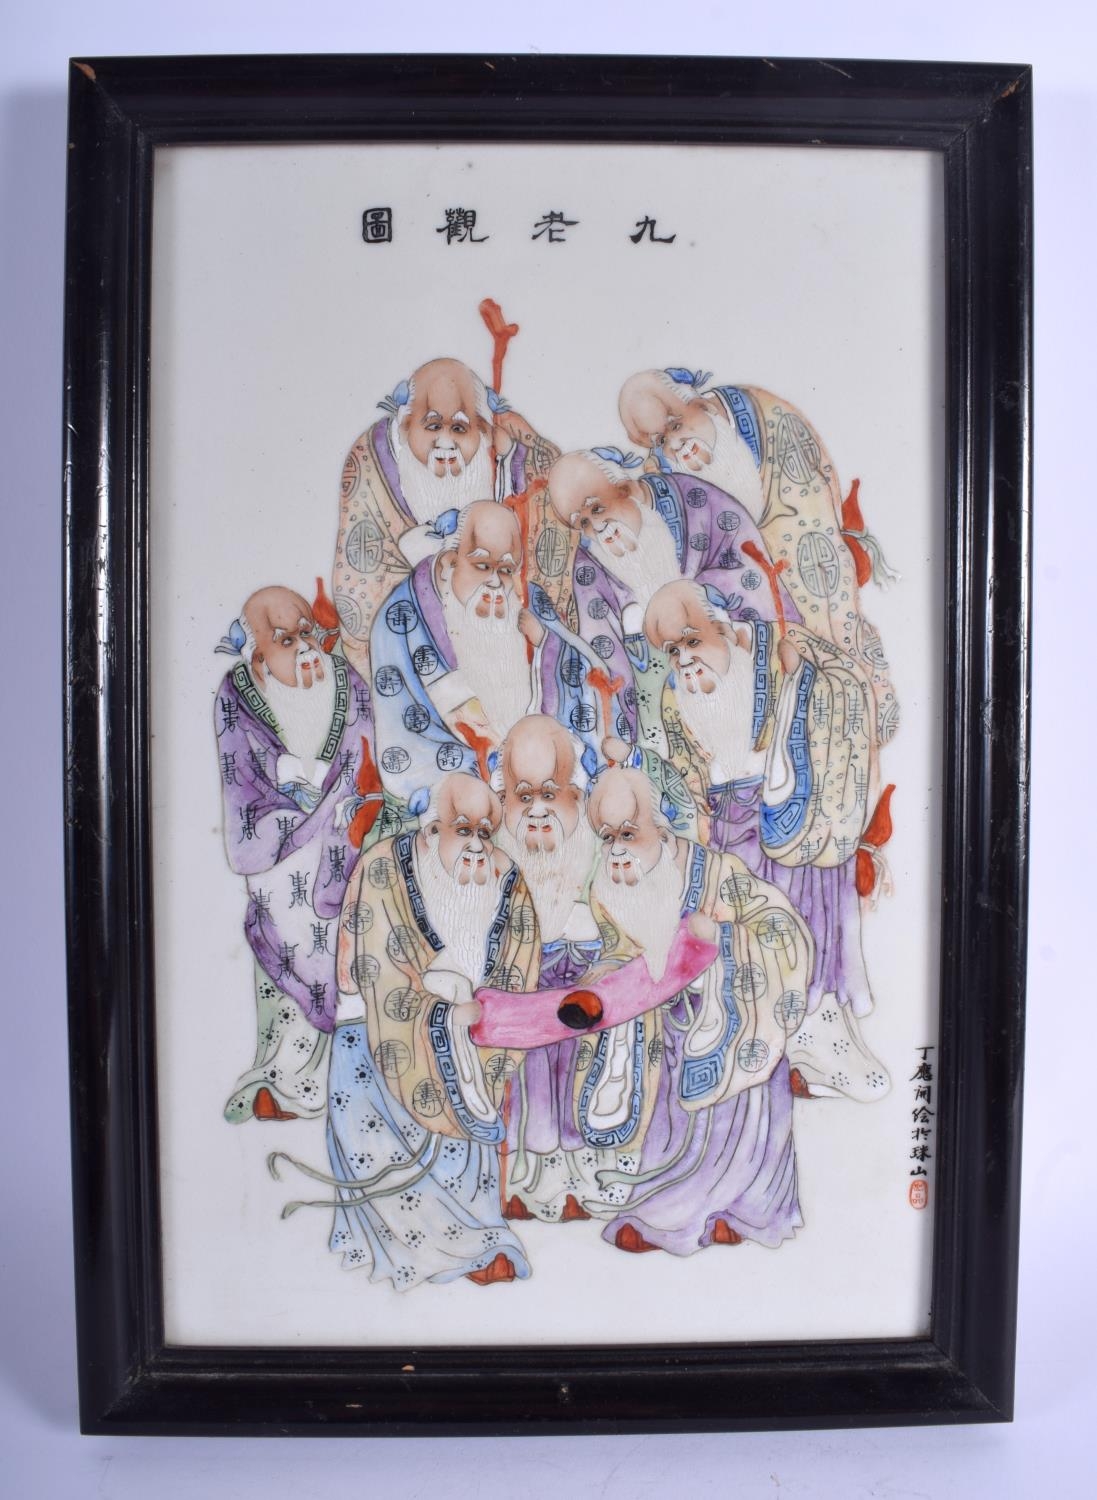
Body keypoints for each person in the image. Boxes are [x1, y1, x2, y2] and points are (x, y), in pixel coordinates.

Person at [640, 579, 891, 1102]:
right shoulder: (674, 695)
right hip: (731, 829)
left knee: (814, 916)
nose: (685, 660)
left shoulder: (777, 644)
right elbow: (685, 772)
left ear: (722, 626)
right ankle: (777, 1042)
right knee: (754, 938)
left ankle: (824, 1030)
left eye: (692, 640)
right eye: (672, 651)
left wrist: (803, 679)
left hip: (799, 815)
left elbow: (843, 691)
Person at [314, 772, 541, 1289]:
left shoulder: (506, 877)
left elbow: (521, 960)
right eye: (464, 830)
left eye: (485, 832)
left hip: (470, 1046)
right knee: (385, 1150)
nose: (477, 845)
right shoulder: (383, 868)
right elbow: (377, 968)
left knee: (470, 1134)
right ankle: (415, 1251)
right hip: (378, 1037)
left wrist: (482, 1012)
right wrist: (439, 1015)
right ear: (431, 829)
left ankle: (480, 1240)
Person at [585, 770, 814, 1255]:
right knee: (670, 1126)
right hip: (665, 1030)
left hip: (735, 1017)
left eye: (629, 834)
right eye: (607, 837)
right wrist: (606, 976)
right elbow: (617, 952)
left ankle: (747, 1210)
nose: (618, 849)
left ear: (661, 828)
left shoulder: (717, 873)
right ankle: (666, 1213)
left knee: (743, 1117)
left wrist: (726, 941)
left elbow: (781, 929)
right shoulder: (609, 888)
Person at [618, 368, 898, 743]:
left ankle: (865, 710)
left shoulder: (772, 425)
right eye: (660, 440)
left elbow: (812, 512)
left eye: (676, 424)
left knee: (824, 614)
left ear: (700, 404)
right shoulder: (671, 471)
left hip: (798, 540)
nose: (675, 444)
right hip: (743, 597)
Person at [214, 586, 378, 1123]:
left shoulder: (346, 682)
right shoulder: (236, 695)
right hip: (277, 837)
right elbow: (242, 783)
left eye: (307, 633)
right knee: (290, 920)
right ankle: (287, 1077)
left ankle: (332, 1078)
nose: (306, 648)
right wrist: (293, 794)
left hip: (343, 827)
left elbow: (364, 755)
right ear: (259, 656)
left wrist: (335, 808)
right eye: (286, 640)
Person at [368, 500, 626, 808]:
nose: (494, 582)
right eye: (482, 566)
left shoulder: (527, 600)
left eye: (505, 570)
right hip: (469, 784)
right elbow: (406, 738)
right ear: (451, 561)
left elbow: (588, 671)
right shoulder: (400, 619)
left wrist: (546, 643)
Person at [545, 446, 798, 755]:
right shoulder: (590, 569)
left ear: (625, 489)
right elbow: (602, 652)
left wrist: (703, 608)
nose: (597, 528)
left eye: (597, 509)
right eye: (583, 523)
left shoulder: (691, 499)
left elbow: (747, 568)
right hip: (670, 699)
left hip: (735, 658)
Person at [332, 357, 561, 677]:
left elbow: (553, 558)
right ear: (406, 426)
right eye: (432, 426)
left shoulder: (516, 463)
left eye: (459, 428)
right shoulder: (370, 462)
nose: (445, 444)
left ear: (483, 431)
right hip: (419, 653)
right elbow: (361, 588)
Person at [492, 716, 630, 1223]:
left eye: (549, 794)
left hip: (585, 975)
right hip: (527, 981)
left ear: (574, 793)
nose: (537, 811)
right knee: (532, 1080)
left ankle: (583, 1168)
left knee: (583, 1074)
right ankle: (534, 1174)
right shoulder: (501, 847)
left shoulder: (592, 841)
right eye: (523, 796)